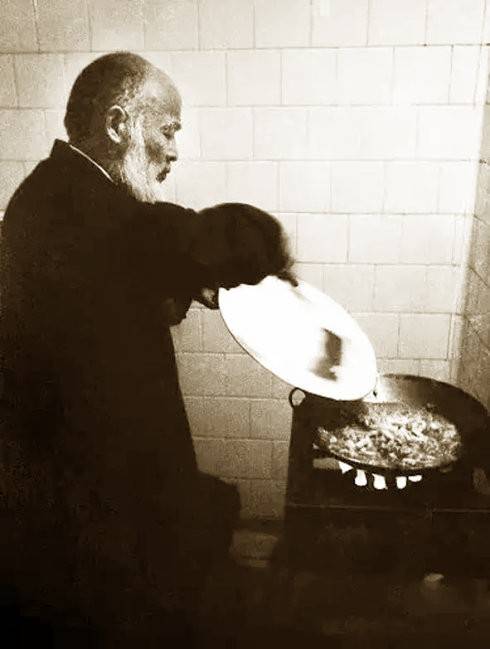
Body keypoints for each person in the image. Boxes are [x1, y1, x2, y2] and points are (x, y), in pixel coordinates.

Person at [0, 52, 294, 646]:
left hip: (62, 467)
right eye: (168, 130)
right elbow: (230, 238)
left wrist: (173, 290)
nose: (174, 151)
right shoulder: (92, 209)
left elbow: (105, 286)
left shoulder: (47, 192)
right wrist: (277, 263)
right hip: (91, 491)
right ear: (117, 124)